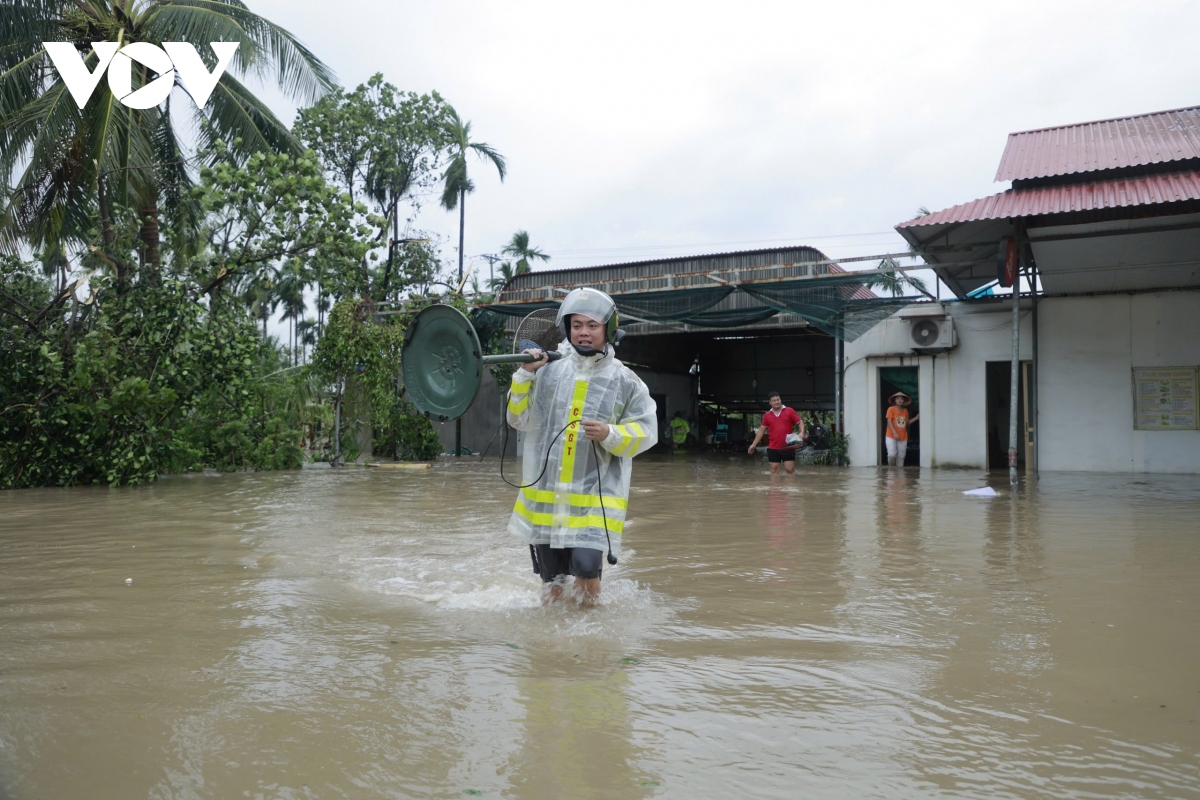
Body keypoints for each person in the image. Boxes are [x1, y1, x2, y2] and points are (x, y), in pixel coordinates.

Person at [506, 287, 658, 605]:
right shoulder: (546, 372)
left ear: (608, 329)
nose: (584, 333)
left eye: (592, 325)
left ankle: (590, 651)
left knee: (588, 575)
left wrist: (610, 434)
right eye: (577, 325)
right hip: (547, 503)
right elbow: (517, 419)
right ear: (568, 329)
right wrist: (523, 376)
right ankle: (551, 651)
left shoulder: (626, 381)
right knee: (553, 586)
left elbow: (646, 432)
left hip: (593, 503)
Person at [747, 391, 806, 475]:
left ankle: (791, 488)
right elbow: (761, 430)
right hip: (773, 447)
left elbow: (800, 422)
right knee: (774, 470)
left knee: (790, 470)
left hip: (788, 446)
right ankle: (775, 488)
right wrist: (753, 444)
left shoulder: (789, 411)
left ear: (780, 400)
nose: (777, 402)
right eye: (774, 401)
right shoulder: (767, 415)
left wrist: (801, 432)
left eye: (778, 400)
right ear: (770, 403)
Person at [884, 391, 919, 466]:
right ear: (895, 401)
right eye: (897, 399)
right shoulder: (891, 409)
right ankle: (891, 470)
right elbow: (889, 422)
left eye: (901, 399)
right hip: (891, 435)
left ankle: (900, 475)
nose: (899, 400)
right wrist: (895, 433)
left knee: (901, 457)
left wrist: (916, 418)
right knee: (892, 455)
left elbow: (906, 422)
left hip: (902, 437)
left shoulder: (905, 411)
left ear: (904, 401)